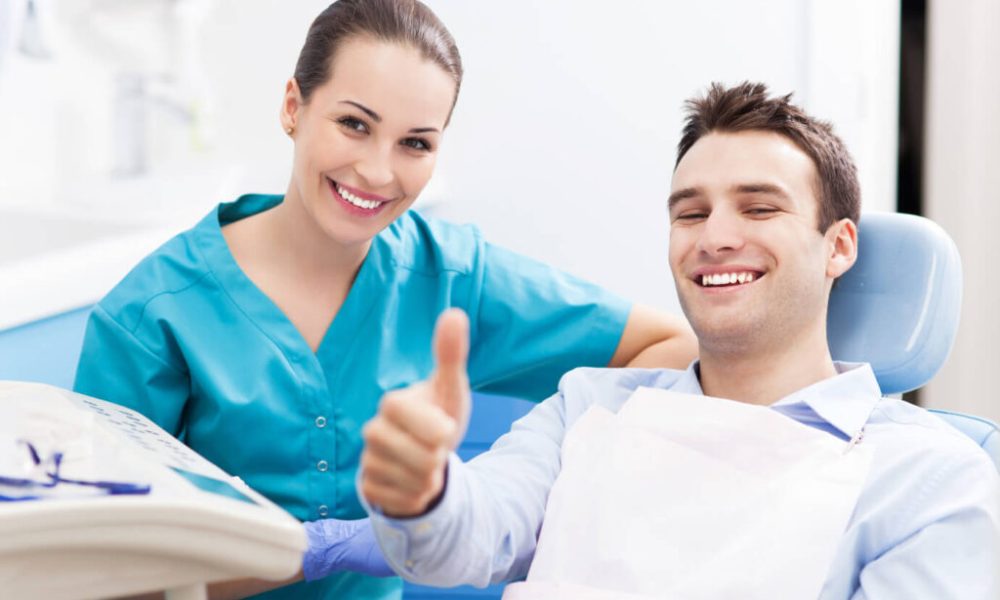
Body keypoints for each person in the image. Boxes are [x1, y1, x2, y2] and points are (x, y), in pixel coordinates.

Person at [71, 1, 697, 599]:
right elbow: (102, 573)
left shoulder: (452, 275)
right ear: (294, 107)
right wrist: (315, 550)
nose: (377, 171)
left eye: (415, 143)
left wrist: (513, 483)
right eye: (354, 124)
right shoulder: (151, 314)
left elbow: (669, 348)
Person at [359, 82, 1000, 599]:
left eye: (759, 208)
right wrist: (425, 494)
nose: (714, 237)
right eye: (690, 213)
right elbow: (466, 539)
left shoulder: (930, 479)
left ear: (838, 247)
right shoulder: (590, 406)